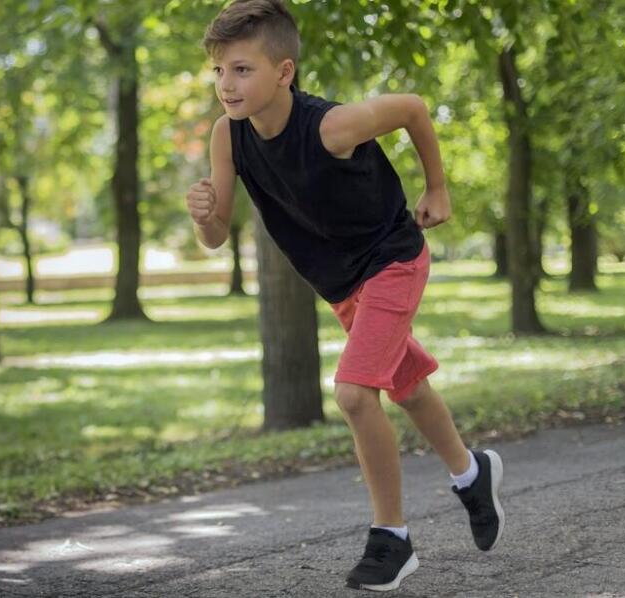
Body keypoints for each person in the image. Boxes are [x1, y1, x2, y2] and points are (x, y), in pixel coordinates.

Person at [185, 0, 505, 591]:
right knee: (406, 386)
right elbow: (216, 233)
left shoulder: (331, 127)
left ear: (284, 72)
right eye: (219, 71)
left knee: (356, 394)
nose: (226, 84)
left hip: (393, 258)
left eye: (242, 69)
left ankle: (392, 539)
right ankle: (471, 473)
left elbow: (412, 108)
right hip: (341, 283)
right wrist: (204, 217)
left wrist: (437, 188)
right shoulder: (228, 136)